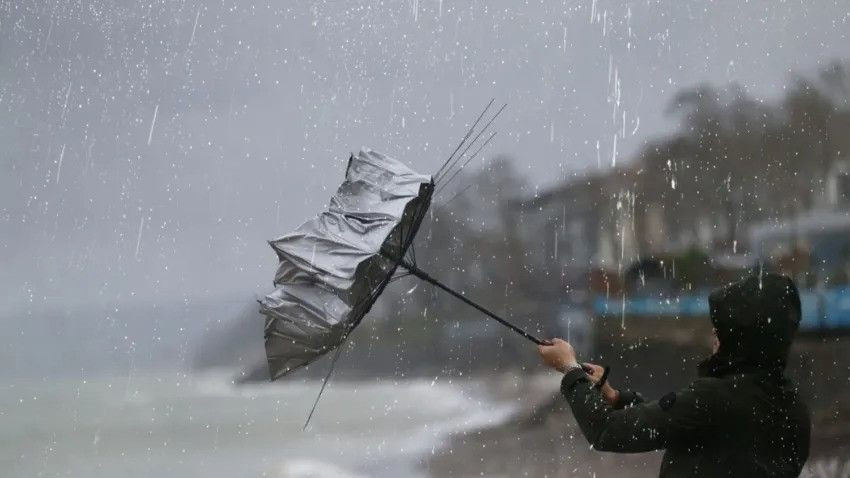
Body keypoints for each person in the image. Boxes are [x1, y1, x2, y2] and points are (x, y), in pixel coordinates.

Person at [538, 273, 811, 477]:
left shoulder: (715, 399)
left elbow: (607, 431)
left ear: (741, 339)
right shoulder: (793, 408)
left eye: (721, 331)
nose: (713, 338)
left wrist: (570, 369)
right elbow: (686, 424)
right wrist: (616, 397)